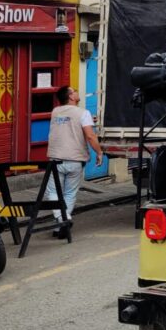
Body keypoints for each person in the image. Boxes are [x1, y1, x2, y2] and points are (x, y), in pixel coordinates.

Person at [45, 85, 103, 235]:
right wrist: (99, 152)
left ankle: (61, 221)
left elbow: (67, 123)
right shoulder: (83, 113)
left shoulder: (55, 112)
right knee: (70, 193)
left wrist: (89, 119)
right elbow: (90, 136)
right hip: (75, 159)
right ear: (71, 96)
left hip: (56, 158)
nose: (77, 92)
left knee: (53, 192)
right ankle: (64, 219)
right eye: (75, 91)